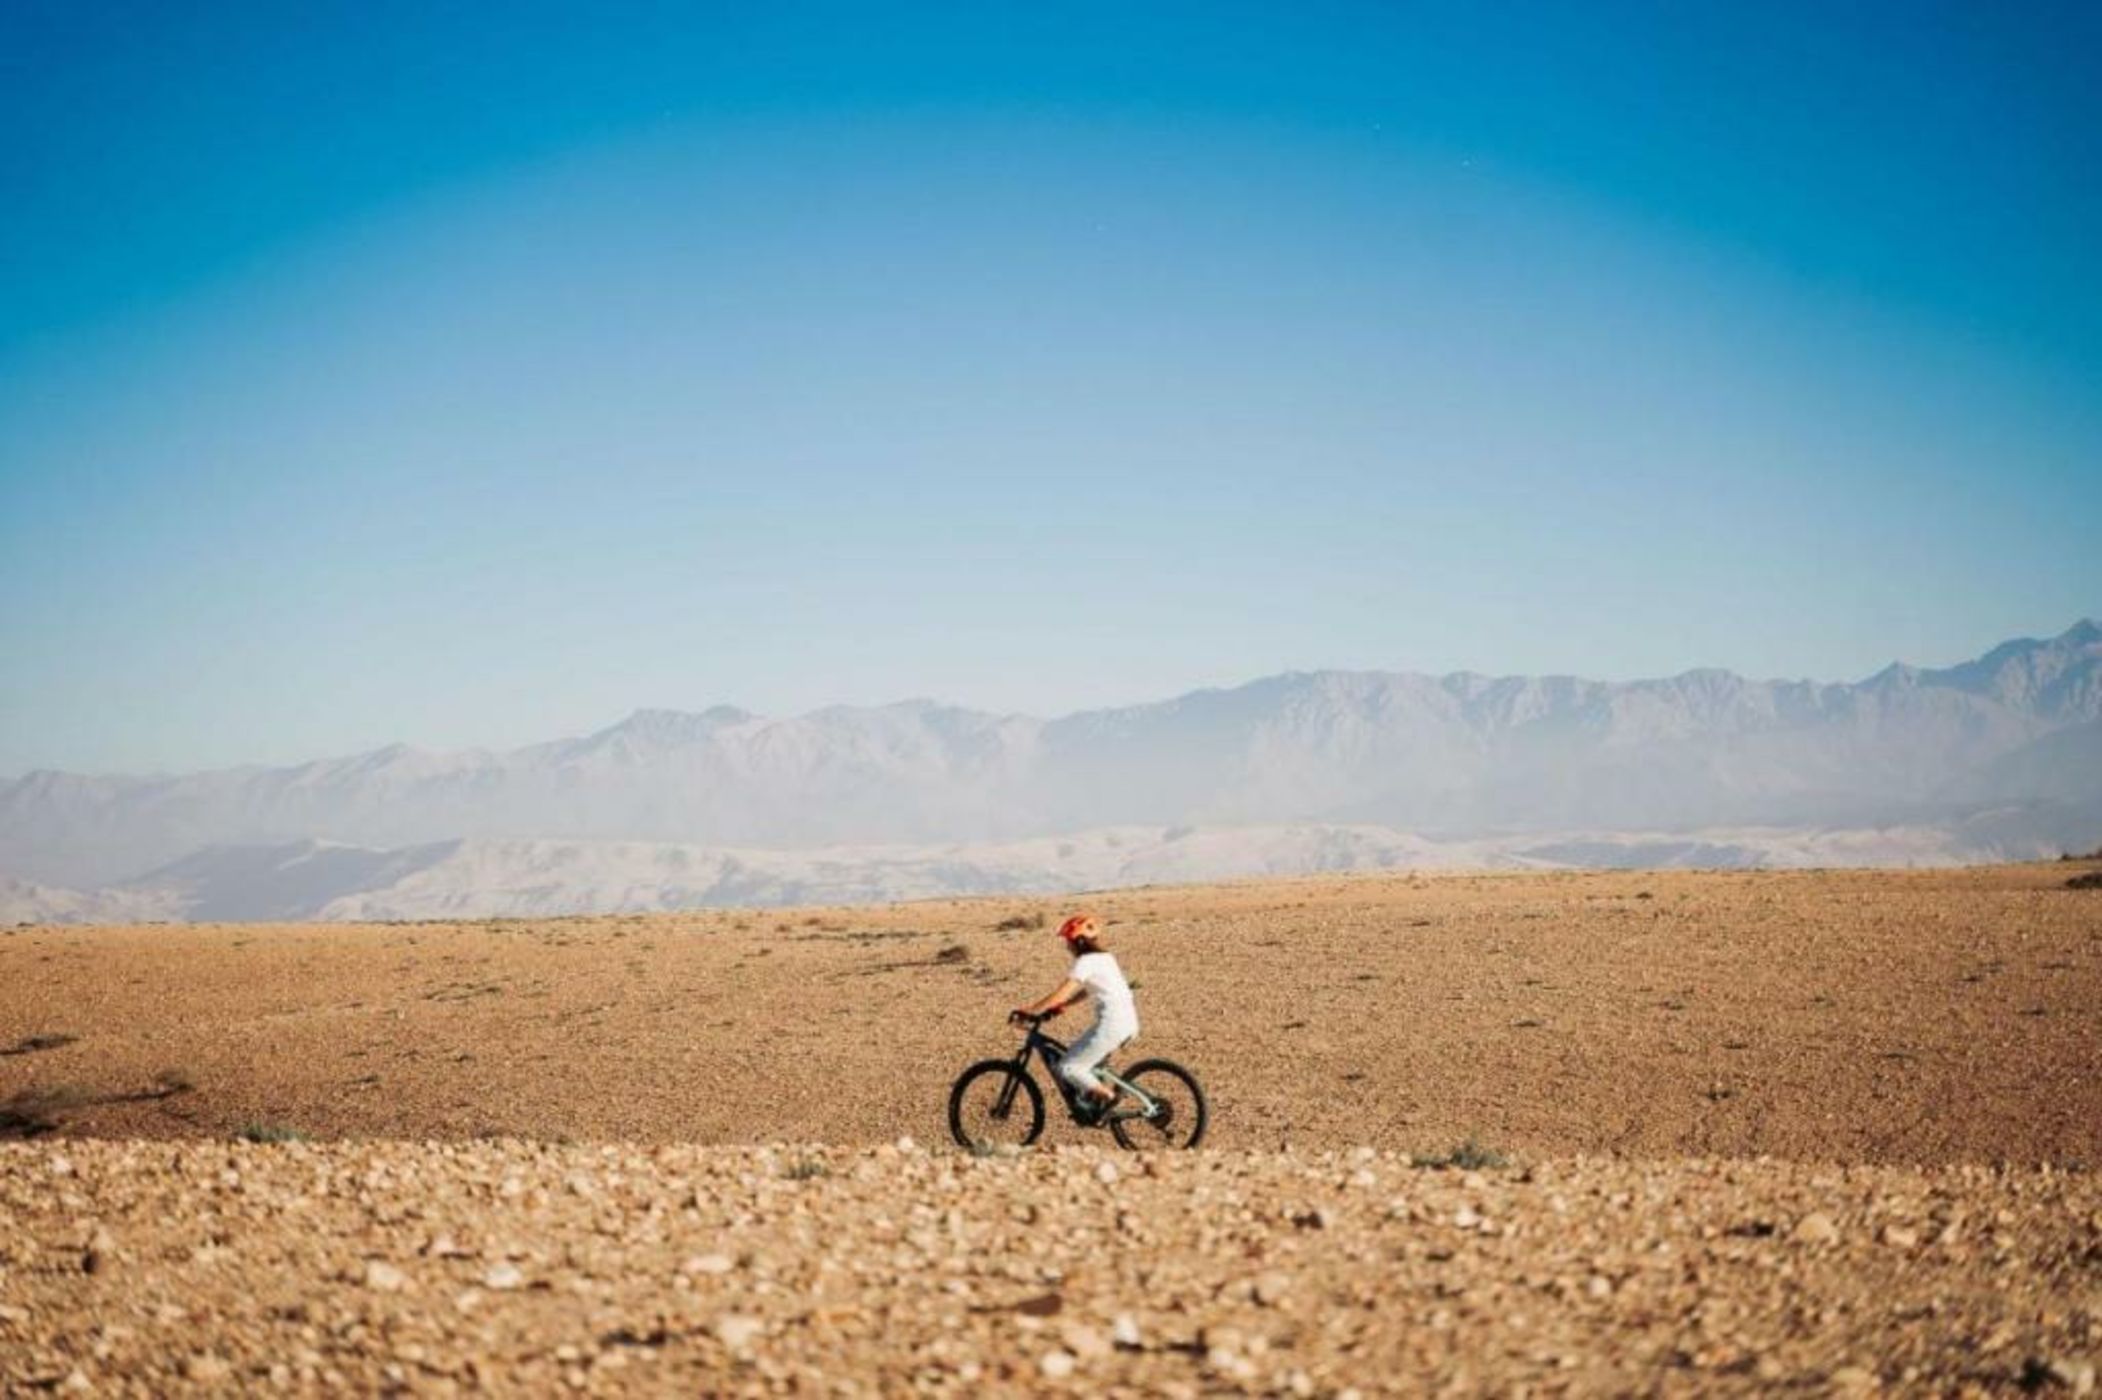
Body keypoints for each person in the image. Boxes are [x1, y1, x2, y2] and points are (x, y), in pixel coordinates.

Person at [1010, 912, 1139, 1122]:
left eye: (1068, 941)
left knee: (1069, 1067)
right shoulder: (1106, 958)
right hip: (1128, 1023)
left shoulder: (1086, 961)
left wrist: (1032, 1011)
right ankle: (1093, 1102)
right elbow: (1089, 989)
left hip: (1112, 1024)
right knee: (1083, 1061)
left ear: (1078, 941)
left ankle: (1108, 1099)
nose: (1067, 946)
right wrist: (1064, 1007)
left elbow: (1063, 990)